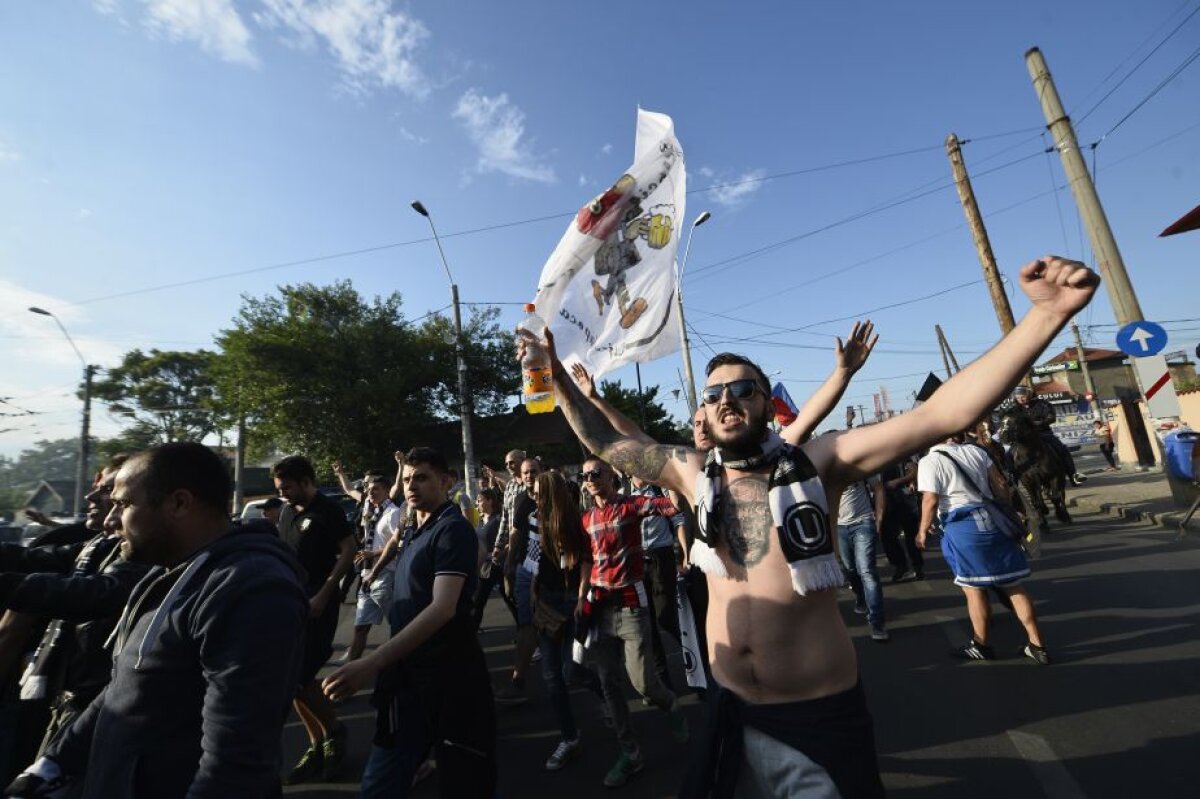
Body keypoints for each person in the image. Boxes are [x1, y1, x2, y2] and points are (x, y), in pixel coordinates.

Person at [520, 256, 1098, 796]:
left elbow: (942, 414)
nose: (726, 400)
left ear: (766, 403)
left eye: (742, 390)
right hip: (730, 710)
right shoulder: (692, 473)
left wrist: (1047, 314)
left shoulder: (821, 461)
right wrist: (555, 376)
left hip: (815, 715)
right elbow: (611, 445)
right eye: (714, 392)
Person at [6, 442, 308, 798]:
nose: (110, 520)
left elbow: (235, 762)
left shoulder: (253, 588)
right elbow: (125, 687)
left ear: (179, 503)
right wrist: (52, 765)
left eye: (122, 504)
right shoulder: (163, 575)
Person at [323, 447, 496, 799]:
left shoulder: (452, 529)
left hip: (450, 679)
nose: (411, 485)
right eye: (406, 479)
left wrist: (370, 662)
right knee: (381, 781)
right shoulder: (413, 525)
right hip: (406, 680)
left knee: (466, 781)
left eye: (421, 477)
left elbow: (443, 608)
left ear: (446, 481)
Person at [0, 457, 151, 766]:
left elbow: (98, 594)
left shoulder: (145, 551)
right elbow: (32, 559)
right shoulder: (99, 544)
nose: (92, 498)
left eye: (111, 493)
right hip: (67, 693)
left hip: (96, 699)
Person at [576, 456, 688, 788]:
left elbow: (669, 508)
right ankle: (630, 753)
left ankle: (670, 703)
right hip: (600, 609)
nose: (592, 478)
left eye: (597, 473)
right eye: (586, 476)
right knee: (609, 684)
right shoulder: (586, 519)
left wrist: (674, 485)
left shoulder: (631, 506)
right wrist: (582, 596)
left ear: (612, 477)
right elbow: (587, 559)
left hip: (631, 606)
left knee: (643, 684)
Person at [915, 434, 1050, 664]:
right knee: (1013, 585)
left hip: (963, 526)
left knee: (972, 588)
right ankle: (1037, 645)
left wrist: (921, 531)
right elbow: (1000, 485)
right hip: (992, 520)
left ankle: (981, 644)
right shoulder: (976, 451)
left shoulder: (929, 461)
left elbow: (930, 500)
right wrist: (1006, 509)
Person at [272, 455, 356, 784]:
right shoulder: (285, 513)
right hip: (289, 604)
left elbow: (349, 550)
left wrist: (325, 591)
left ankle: (334, 730)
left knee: (302, 673)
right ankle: (318, 741)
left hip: (320, 603)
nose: (284, 494)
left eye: (288, 487)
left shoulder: (328, 510)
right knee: (291, 679)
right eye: (280, 489)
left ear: (307, 481)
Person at [529, 470, 602, 771]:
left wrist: (582, 595)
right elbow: (533, 560)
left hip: (572, 598)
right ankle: (569, 737)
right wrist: (533, 592)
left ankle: (603, 691)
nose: (533, 496)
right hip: (546, 599)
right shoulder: (534, 518)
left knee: (570, 670)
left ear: (550, 492)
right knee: (551, 676)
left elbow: (586, 559)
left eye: (537, 491)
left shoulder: (577, 519)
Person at [629, 477, 686, 687]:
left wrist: (684, 557)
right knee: (648, 624)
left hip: (661, 559)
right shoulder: (623, 494)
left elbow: (678, 520)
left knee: (666, 619)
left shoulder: (660, 490)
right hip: (636, 561)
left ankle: (698, 660)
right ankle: (663, 682)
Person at [494, 457, 543, 704]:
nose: (528, 476)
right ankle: (518, 681)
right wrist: (510, 562)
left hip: (552, 573)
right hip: (526, 567)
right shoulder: (522, 500)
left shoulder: (557, 498)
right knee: (526, 624)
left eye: (533, 471)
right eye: (525, 473)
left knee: (560, 627)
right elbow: (514, 530)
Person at [345, 476, 404, 663]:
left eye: (376, 489)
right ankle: (349, 670)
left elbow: (400, 545)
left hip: (387, 573)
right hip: (367, 574)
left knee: (398, 625)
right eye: (369, 489)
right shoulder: (372, 511)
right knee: (360, 627)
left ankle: (404, 666)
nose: (371, 492)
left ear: (388, 491)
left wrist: (373, 554)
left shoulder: (393, 513)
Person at [835, 471, 889, 642]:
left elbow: (878, 489)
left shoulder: (858, 464)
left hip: (863, 523)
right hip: (839, 527)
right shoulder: (826, 465)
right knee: (850, 569)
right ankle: (860, 596)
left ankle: (877, 623)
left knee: (866, 571)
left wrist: (879, 519)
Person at [1010, 385, 1087, 485]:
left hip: (1043, 433)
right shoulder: (1014, 409)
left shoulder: (1042, 404)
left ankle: (1073, 476)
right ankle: (1013, 480)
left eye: (1022, 396)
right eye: (1018, 397)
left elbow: (1051, 417)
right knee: (1009, 454)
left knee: (1062, 449)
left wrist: (1037, 423)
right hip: (1023, 438)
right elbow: (1007, 418)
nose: (1020, 399)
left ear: (1028, 395)